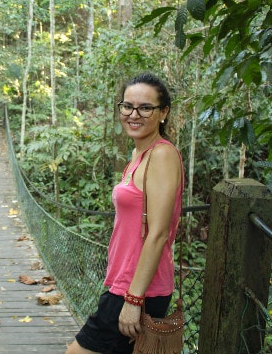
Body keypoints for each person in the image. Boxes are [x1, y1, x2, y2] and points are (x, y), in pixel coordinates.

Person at [66, 72, 184, 354]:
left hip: (138, 288)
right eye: (127, 106)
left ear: (163, 112)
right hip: (124, 281)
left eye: (145, 107)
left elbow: (158, 233)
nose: (134, 114)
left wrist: (133, 299)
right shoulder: (137, 155)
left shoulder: (162, 155)